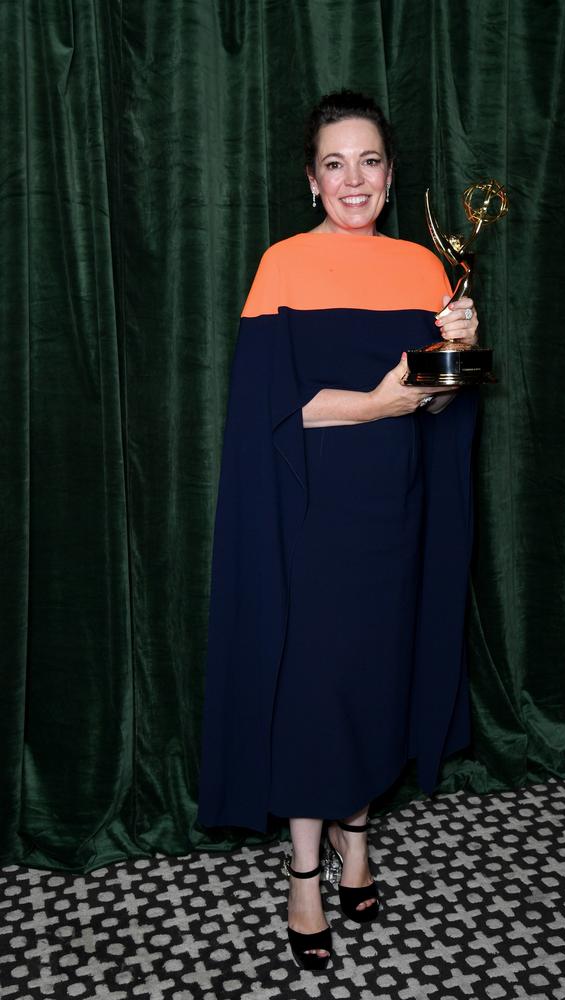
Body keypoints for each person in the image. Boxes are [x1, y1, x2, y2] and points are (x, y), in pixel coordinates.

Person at [198, 90, 480, 970]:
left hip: (396, 515)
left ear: (390, 179)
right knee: (316, 691)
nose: (352, 178)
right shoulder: (281, 264)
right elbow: (269, 417)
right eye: (334, 163)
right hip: (310, 517)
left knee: (375, 679)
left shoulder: (426, 268)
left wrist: (460, 343)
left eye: (369, 162)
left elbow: (441, 404)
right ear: (311, 181)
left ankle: (360, 842)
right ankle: (307, 873)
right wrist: (381, 402)